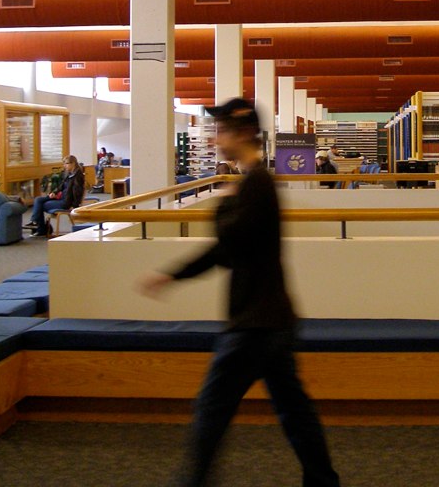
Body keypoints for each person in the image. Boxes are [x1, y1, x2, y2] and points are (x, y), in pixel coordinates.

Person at [136, 98, 340, 487]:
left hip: (255, 324)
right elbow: (228, 252)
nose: (215, 138)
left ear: (242, 132)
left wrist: (222, 205)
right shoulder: (250, 181)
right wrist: (172, 275)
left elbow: (228, 241)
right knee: (294, 412)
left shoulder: (256, 183)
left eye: (221, 130)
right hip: (269, 320)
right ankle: (323, 481)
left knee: (213, 409)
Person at [29, 155, 85, 237]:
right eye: (64, 164)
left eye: (66, 164)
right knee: (38, 200)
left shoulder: (77, 176)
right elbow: (61, 186)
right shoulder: (69, 174)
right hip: (61, 198)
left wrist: (75, 205)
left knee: (41, 205)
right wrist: (54, 193)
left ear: (73, 164)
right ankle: (36, 224)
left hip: (66, 202)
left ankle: (39, 227)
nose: (64, 166)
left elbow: (78, 192)